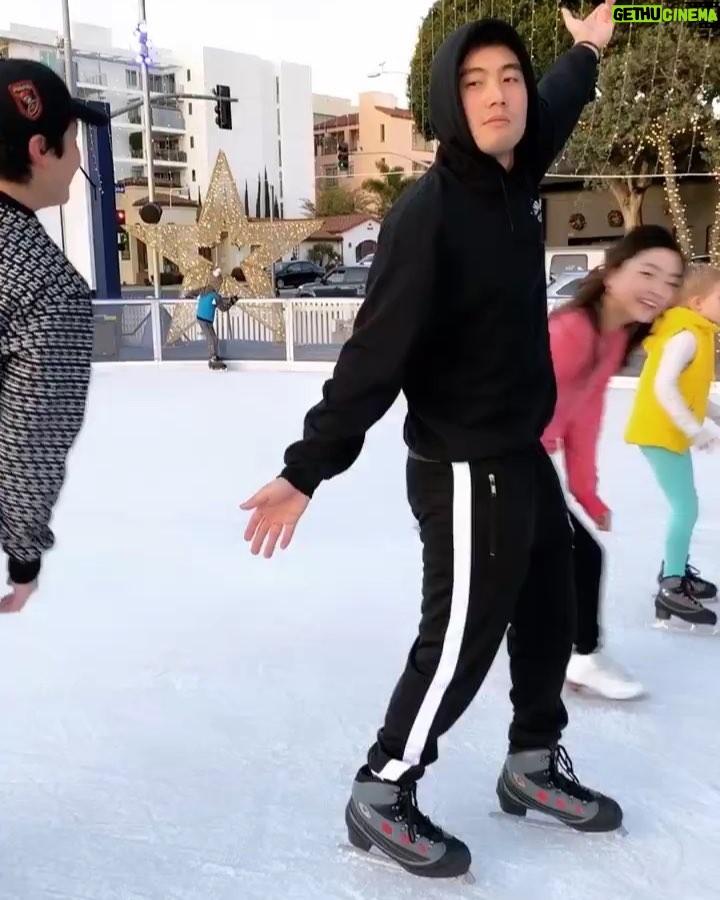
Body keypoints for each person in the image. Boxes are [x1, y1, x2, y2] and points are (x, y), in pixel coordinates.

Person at [242, 4, 622, 881]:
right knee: (460, 636)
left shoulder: (514, 175)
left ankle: (532, 762)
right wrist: (309, 468)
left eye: (510, 78)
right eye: (474, 82)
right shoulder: (431, 214)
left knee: (554, 592)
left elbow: (559, 100)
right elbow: (375, 352)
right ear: (451, 103)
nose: (498, 96)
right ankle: (383, 787)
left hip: (515, 449)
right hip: (462, 465)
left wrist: (587, 49)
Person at [542, 226, 685, 700]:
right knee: (577, 556)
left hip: (523, 464)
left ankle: (567, 651)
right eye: (648, 273)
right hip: (497, 462)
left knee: (569, 556)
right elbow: (501, 400)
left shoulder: (610, 340)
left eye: (671, 280)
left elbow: (583, 418)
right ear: (610, 275)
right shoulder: (569, 333)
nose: (660, 290)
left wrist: (587, 492)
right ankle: (579, 655)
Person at [0, 59, 108, 614]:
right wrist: (23, 559)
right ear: (40, 149)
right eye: (72, 139)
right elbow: (31, 443)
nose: (79, 157)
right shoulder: (46, 286)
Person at [625, 264, 720, 631]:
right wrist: (696, 431)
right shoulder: (685, 335)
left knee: (687, 505)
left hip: (668, 432)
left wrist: (712, 418)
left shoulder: (697, 330)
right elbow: (664, 387)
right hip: (659, 432)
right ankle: (671, 585)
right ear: (697, 303)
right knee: (686, 507)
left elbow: (689, 392)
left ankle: (676, 569)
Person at [196, 267, 228, 370]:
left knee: (213, 338)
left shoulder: (204, 290)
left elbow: (194, 293)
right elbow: (223, 308)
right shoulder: (215, 295)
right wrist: (231, 302)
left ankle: (214, 356)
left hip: (203, 318)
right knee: (212, 338)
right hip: (204, 319)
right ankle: (212, 358)